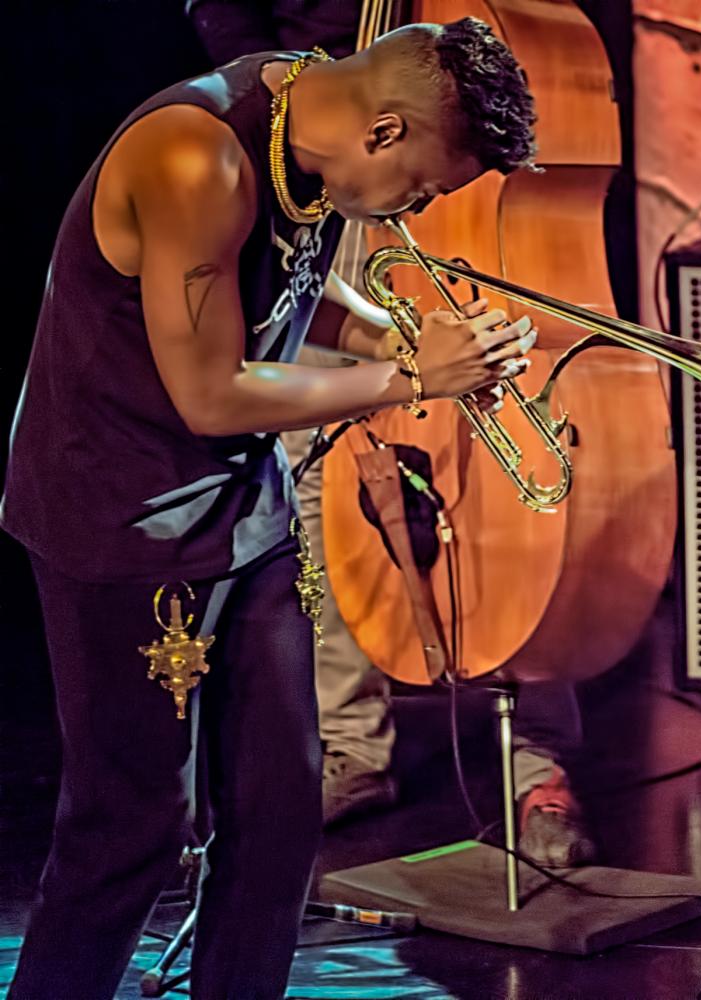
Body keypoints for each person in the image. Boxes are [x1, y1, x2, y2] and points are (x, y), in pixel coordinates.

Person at [2, 19, 536, 998]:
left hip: (240, 503)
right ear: (383, 133)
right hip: (122, 516)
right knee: (129, 830)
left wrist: (405, 331)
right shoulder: (194, 158)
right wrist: (412, 372)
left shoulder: (309, 111)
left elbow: (293, 283)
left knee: (279, 812)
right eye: (422, 186)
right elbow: (209, 390)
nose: (414, 211)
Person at [184, 1, 598, 862]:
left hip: (423, 128)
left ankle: (537, 756)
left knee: (521, 477)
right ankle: (350, 743)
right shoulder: (207, 149)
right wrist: (321, 89)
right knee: (313, 465)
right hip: (327, 139)